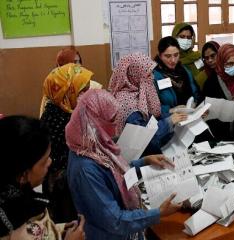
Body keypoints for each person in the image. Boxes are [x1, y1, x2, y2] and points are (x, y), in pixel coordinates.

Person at [66, 89, 182, 240]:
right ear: (95, 122)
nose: (115, 126)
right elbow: (115, 221)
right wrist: (157, 213)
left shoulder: (93, 144)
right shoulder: (85, 169)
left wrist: (144, 162)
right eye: (112, 120)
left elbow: (114, 174)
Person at [0, 116, 85, 240]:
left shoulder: (22, 196)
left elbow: (43, 231)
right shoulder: (16, 226)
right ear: (23, 175)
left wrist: (60, 230)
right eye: (44, 161)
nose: (50, 162)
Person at [40, 63, 93, 223]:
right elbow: (60, 160)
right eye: (81, 91)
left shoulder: (70, 112)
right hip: (63, 188)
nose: (87, 95)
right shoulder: (56, 120)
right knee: (70, 226)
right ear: (65, 92)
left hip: (74, 180)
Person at [109, 53, 187, 155]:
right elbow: (144, 140)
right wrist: (169, 121)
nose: (152, 77)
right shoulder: (129, 106)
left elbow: (150, 116)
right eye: (148, 74)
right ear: (135, 76)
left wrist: (171, 112)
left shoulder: (133, 92)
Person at [39, 47, 102, 117]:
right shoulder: (53, 88)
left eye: (78, 61)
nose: (77, 65)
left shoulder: (92, 86)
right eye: (73, 62)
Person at [153, 36, 202, 115]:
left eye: (176, 55)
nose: (173, 60)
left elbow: (196, 92)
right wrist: (171, 110)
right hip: (169, 121)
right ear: (160, 56)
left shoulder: (184, 70)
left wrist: (195, 104)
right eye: (168, 56)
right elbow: (151, 107)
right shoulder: (154, 76)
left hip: (189, 118)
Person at [172, 23, 204, 88]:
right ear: (175, 37)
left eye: (189, 37)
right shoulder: (170, 60)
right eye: (182, 37)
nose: (186, 40)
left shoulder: (197, 57)